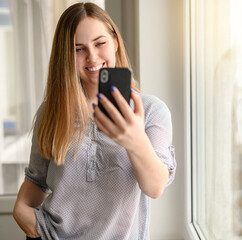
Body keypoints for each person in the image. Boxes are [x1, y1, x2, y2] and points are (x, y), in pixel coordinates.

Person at [12, 2, 176, 240]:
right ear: (66, 56)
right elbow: (36, 180)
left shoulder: (152, 111)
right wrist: (22, 211)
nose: (92, 56)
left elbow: (154, 187)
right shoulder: (52, 111)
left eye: (100, 43)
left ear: (115, 42)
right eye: (78, 49)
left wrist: (135, 139)